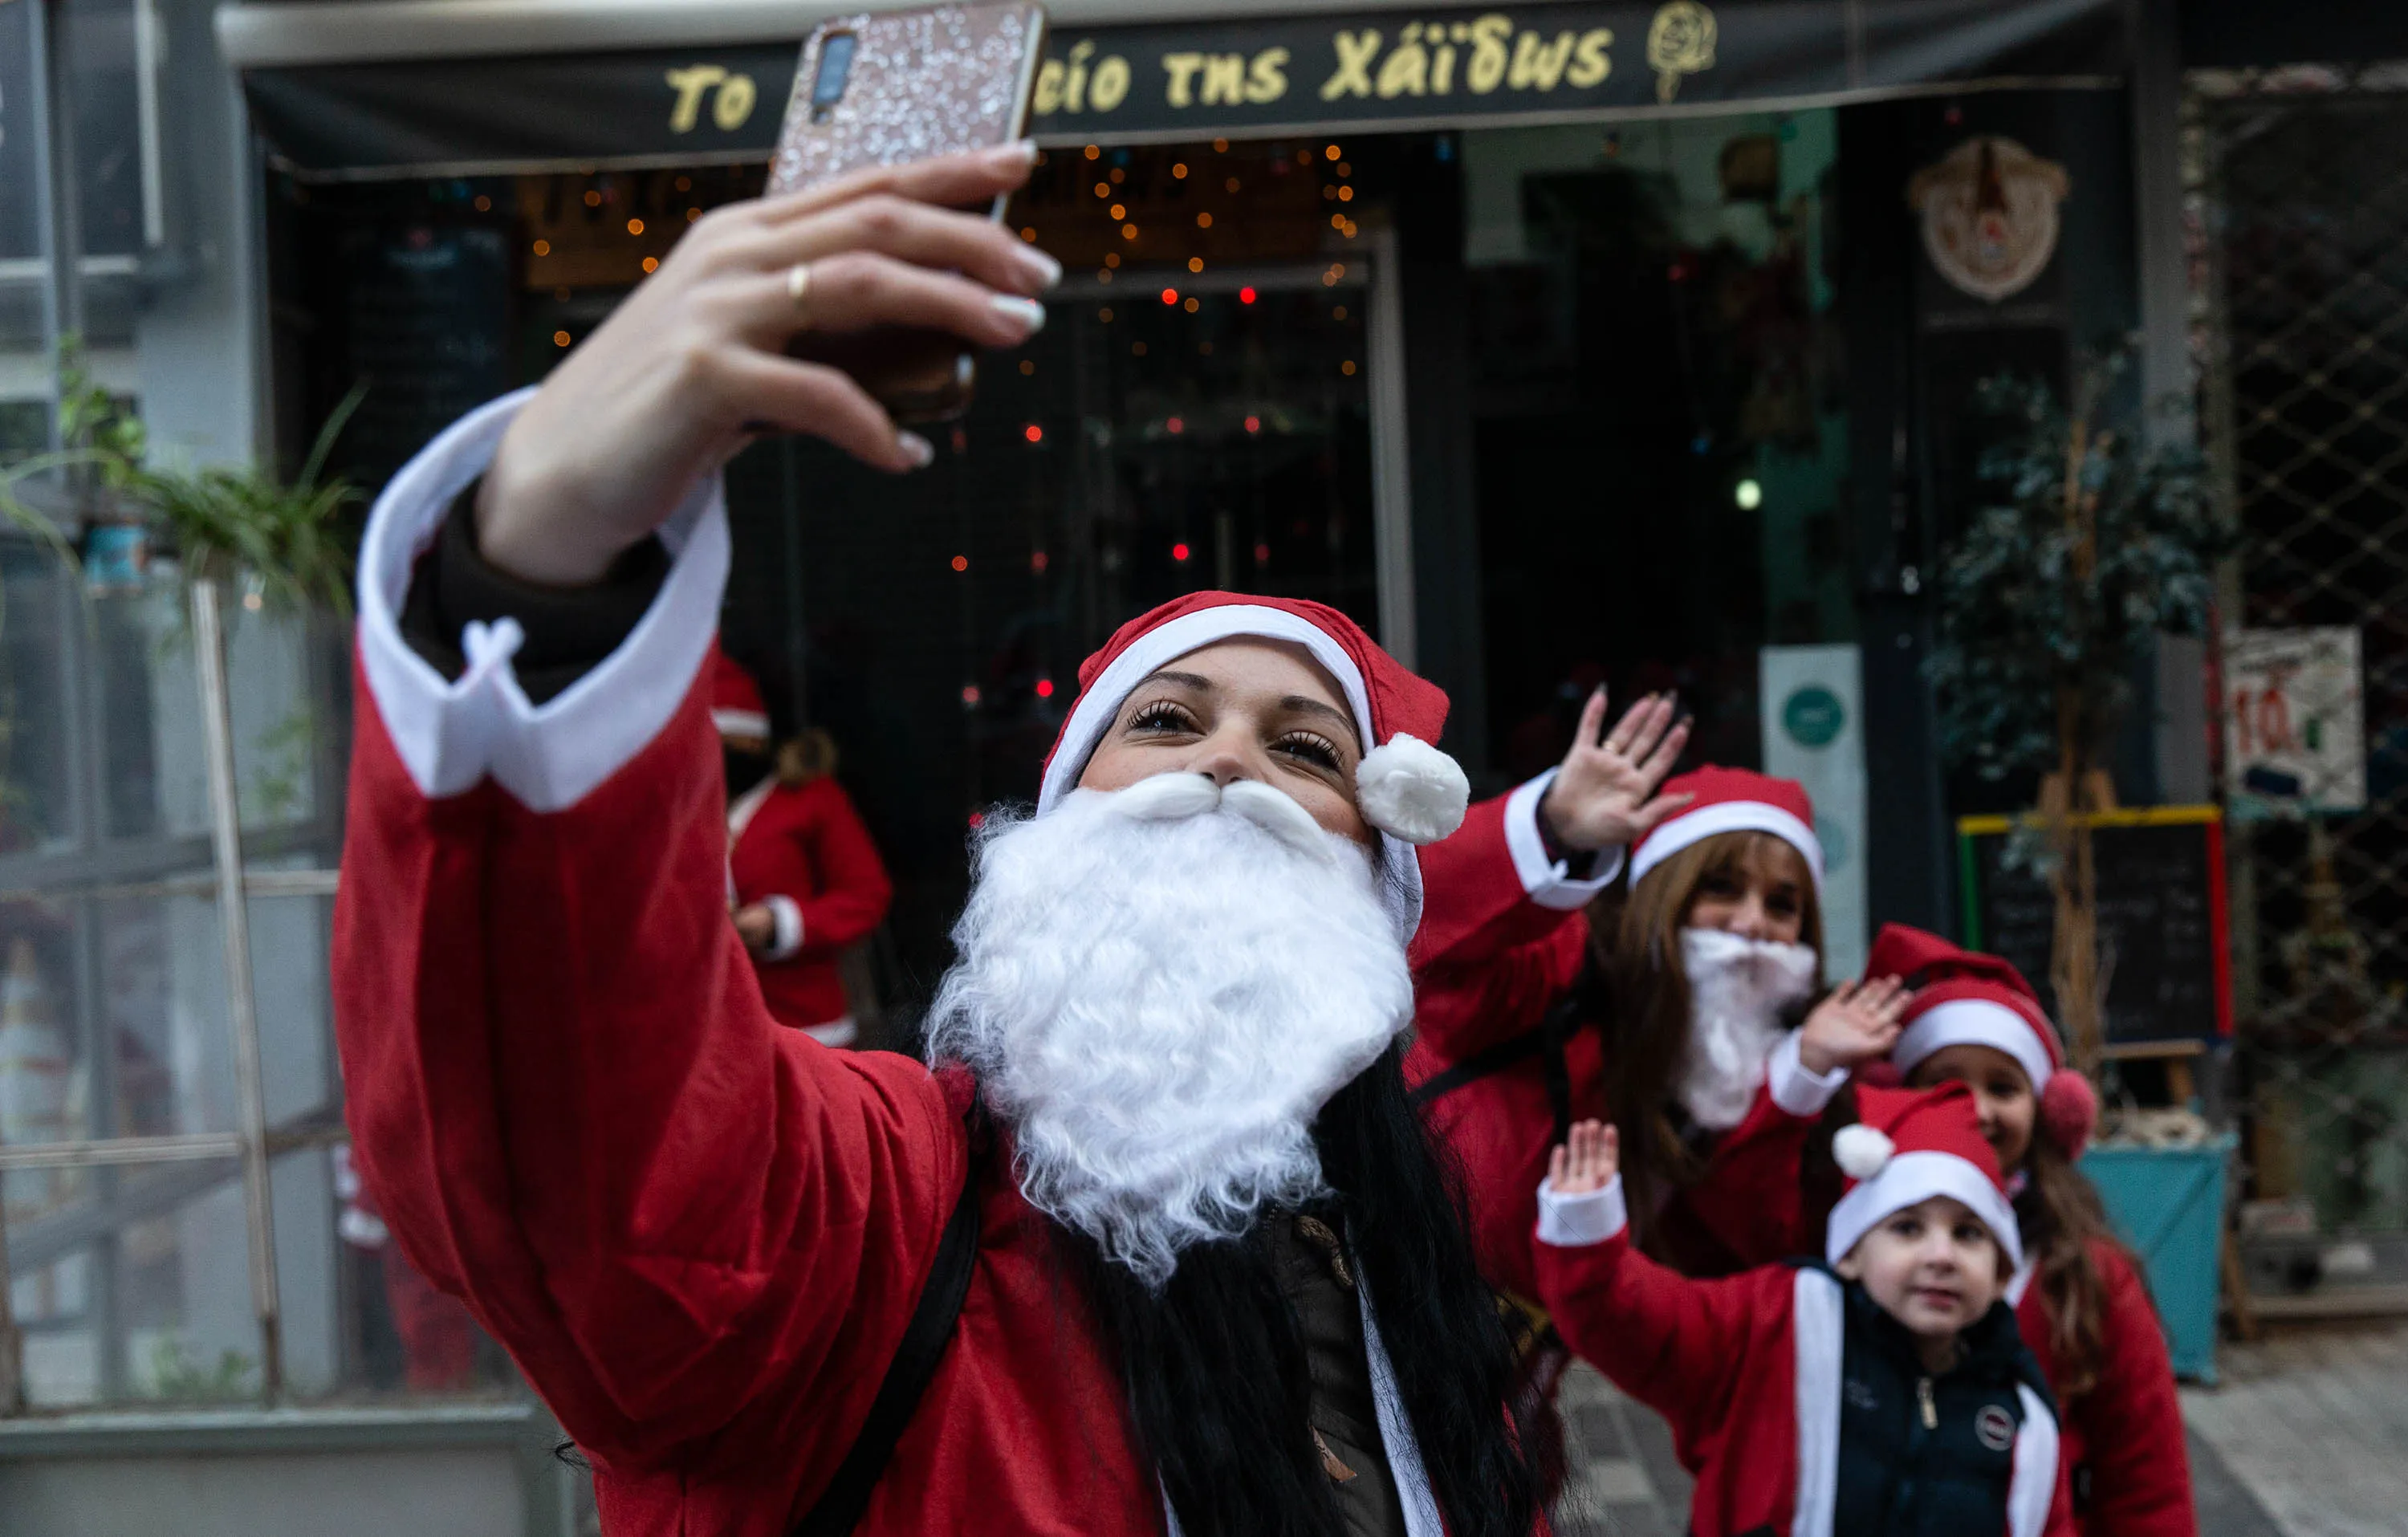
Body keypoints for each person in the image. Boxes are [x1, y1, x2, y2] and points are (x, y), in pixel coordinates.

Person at [335, 143, 1544, 1537]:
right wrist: (545, 570)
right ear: (1057, 830)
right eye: (1167, 720)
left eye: (1305, 749)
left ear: (1373, 894)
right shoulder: (876, 1225)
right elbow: (604, 1164)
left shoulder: (1416, 1277)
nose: (1226, 762)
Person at [1410, 758, 1914, 1304]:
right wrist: (1551, 832)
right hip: (1428, 1289)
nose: (1751, 924)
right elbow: (1423, 937)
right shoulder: (1564, 970)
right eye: (1721, 888)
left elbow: (1769, 1258)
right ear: (1664, 893)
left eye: (1781, 905)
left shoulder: (1802, 1058)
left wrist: (1799, 1083)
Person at [1536, 1085, 2076, 1537]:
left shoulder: (2026, 1418)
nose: (1941, 1255)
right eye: (1907, 1227)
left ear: (2001, 1272)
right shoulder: (1777, 1322)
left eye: (1969, 1233)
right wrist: (1588, 1244)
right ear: (1849, 1252)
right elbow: (1642, 1328)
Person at [1871, 925, 2196, 1537]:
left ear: (2048, 1111)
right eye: (1944, 1082)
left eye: (2003, 1086)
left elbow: (2149, 1488)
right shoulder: (1852, 1255)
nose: (1977, 1109)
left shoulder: (2090, 1276)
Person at [715, 651, 893, 1044]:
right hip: (719, 1030)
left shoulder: (811, 798)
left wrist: (781, 923)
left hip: (807, 1025)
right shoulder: (686, 809)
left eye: (723, 742)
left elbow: (867, 895)